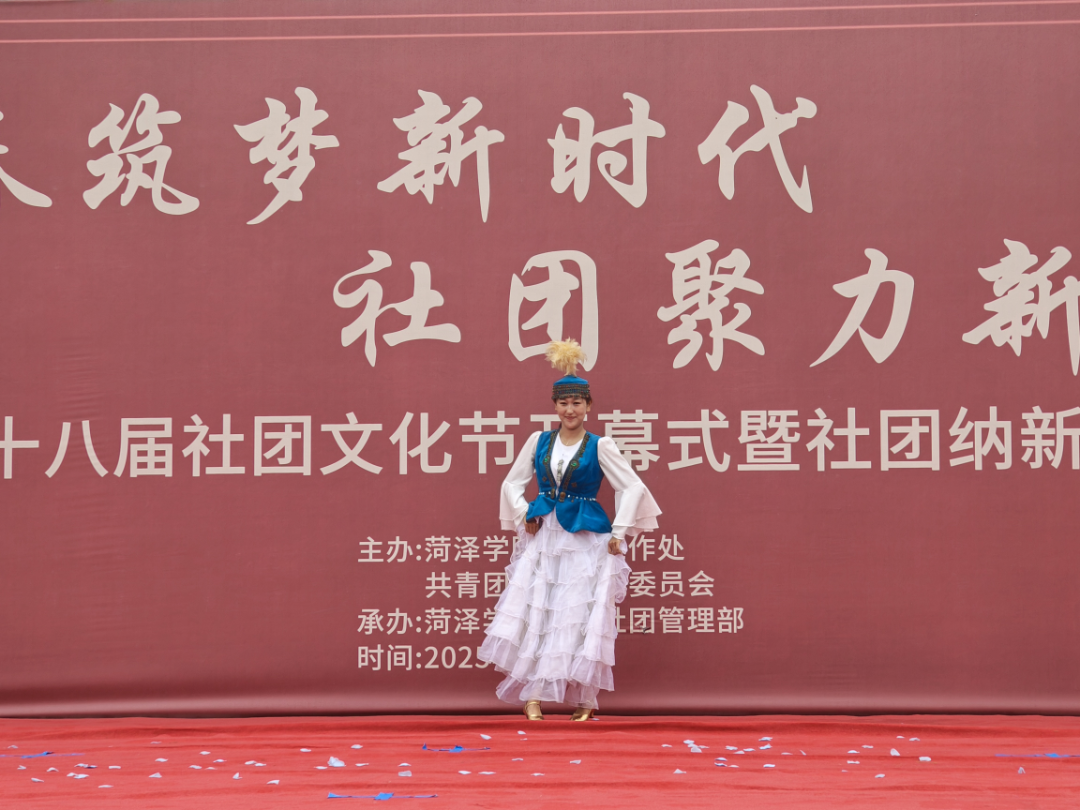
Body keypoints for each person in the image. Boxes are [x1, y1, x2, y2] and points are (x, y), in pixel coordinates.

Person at [477, 339, 661, 721]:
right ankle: (533, 694)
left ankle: (586, 698)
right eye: (563, 403)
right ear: (555, 406)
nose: (570, 409)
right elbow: (511, 483)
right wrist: (524, 512)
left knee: (579, 615)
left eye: (577, 402)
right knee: (538, 610)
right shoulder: (539, 441)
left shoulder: (600, 445)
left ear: (589, 406)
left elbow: (633, 487)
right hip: (546, 536)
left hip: (585, 538)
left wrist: (619, 532)